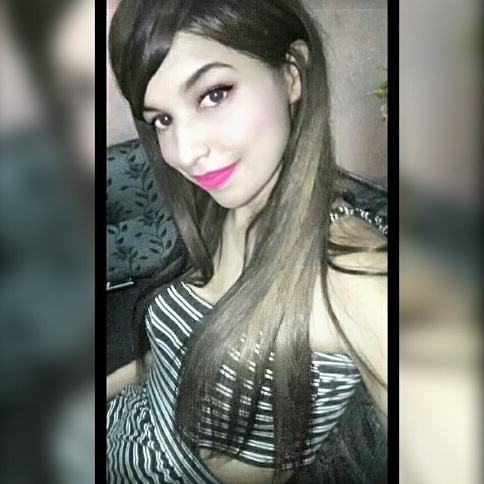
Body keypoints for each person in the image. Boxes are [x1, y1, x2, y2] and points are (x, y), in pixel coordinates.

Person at [106, 0, 387, 483]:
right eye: (162, 119)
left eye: (213, 94)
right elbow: (175, 351)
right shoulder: (222, 208)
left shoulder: (355, 276)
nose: (184, 153)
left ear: (292, 73)